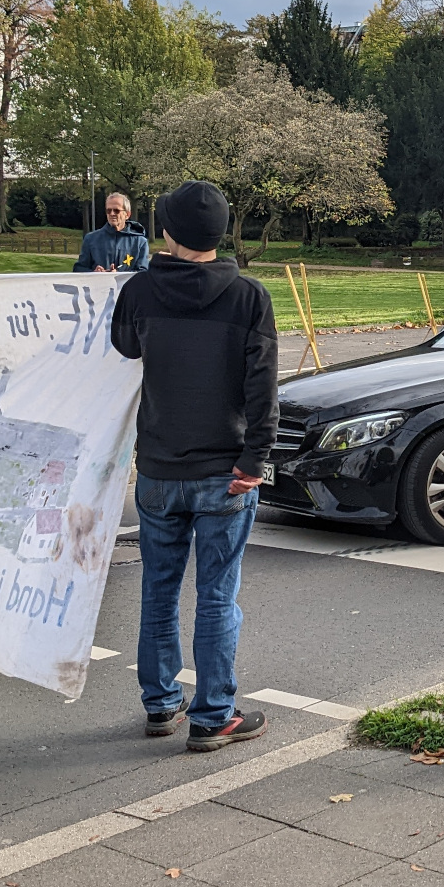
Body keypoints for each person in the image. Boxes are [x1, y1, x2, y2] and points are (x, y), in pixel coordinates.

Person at [111, 180, 277, 751]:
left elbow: (125, 347)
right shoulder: (249, 297)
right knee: (217, 595)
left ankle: (160, 704)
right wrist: (255, 458)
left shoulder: (140, 290)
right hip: (226, 470)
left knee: (158, 591)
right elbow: (263, 388)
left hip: (159, 467)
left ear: (166, 232)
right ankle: (213, 715)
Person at [76, 193, 152, 272]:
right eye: (108, 211)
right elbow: (78, 269)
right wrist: (94, 273)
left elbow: (143, 272)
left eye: (116, 210)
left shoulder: (140, 242)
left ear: (127, 214)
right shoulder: (91, 239)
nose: (112, 214)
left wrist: (117, 275)